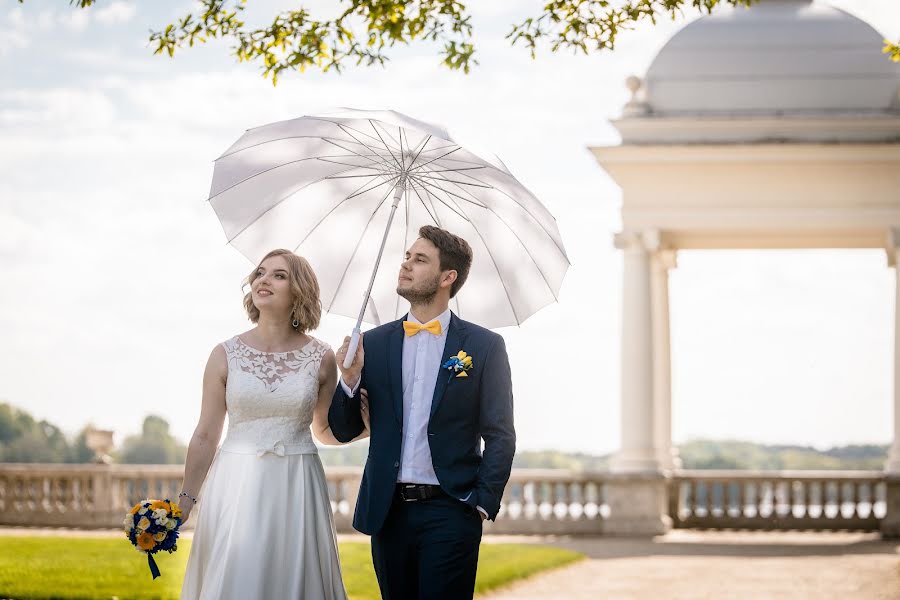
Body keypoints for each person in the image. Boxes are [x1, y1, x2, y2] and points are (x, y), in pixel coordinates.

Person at [329, 225, 516, 600]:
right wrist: (348, 379)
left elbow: (500, 434)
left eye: (420, 259)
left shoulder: (483, 345)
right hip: (388, 511)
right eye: (406, 257)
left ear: (448, 277)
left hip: (452, 510)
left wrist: (480, 503)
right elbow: (344, 429)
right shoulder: (375, 343)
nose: (406, 265)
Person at [179, 249, 362, 600]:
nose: (264, 279)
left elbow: (322, 431)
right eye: (261, 273)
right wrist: (185, 500)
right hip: (235, 481)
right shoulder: (224, 353)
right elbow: (205, 434)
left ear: (300, 290)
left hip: (297, 484)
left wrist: (363, 419)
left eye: (279, 275)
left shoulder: (322, 357)